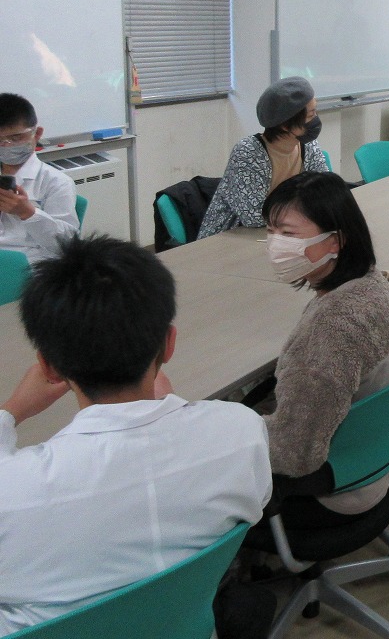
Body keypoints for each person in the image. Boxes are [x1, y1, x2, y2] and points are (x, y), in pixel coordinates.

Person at [0, 235, 271, 633]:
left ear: (48, 366)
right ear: (169, 343)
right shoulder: (243, 432)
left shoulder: (13, 492)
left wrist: (10, 411)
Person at [259, 171, 389, 519]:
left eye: (288, 234)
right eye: (270, 231)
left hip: (336, 489)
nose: (275, 245)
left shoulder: (331, 327)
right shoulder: (373, 285)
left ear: (335, 242)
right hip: (371, 461)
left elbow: (294, 453)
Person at [198, 76, 328, 239]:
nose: (316, 119)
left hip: (280, 233)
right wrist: (307, 207)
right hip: (229, 238)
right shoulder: (248, 152)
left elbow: (326, 190)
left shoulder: (307, 145)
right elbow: (253, 216)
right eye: (311, 114)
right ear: (285, 125)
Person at [0, 94, 77, 264]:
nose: (6, 145)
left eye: (15, 138)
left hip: (31, 264)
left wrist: (28, 212)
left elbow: (68, 244)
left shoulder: (56, 182)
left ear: (37, 134)